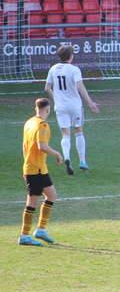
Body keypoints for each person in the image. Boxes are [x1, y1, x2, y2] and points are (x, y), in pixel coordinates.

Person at [45, 45, 99, 175]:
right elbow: (80, 87)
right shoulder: (74, 69)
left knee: (65, 134)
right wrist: (90, 102)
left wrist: (56, 99)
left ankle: (67, 158)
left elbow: (47, 88)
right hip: (75, 105)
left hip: (61, 106)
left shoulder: (53, 69)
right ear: (71, 56)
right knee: (79, 131)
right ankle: (82, 161)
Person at [19, 98, 63, 246]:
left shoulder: (29, 122)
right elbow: (42, 146)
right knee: (32, 202)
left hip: (38, 168)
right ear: (48, 109)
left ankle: (41, 230)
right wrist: (57, 153)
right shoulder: (42, 125)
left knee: (51, 195)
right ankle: (24, 235)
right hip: (34, 170)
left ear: (35, 108)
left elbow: (25, 145)